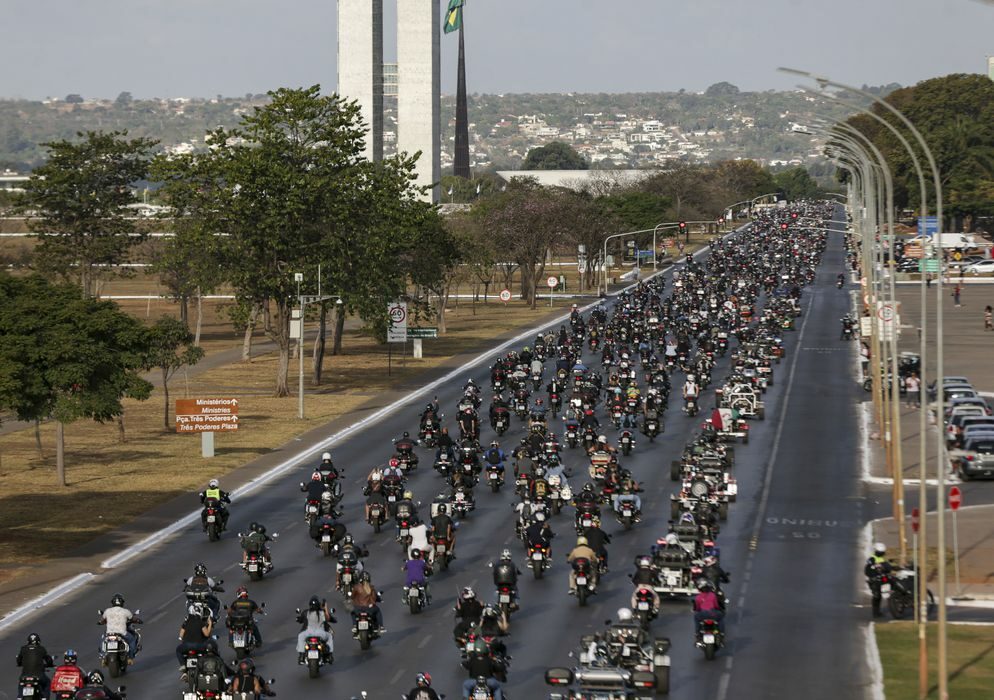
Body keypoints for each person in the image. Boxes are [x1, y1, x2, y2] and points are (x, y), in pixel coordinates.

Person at [99, 593, 141, 660]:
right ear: (122, 602)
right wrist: (138, 621)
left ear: (112, 602)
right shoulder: (126, 611)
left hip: (109, 633)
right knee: (132, 639)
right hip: (122, 633)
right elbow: (133, 619)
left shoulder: (107, 611)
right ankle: (130, 657)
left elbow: (102, 620)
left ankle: (102, 655)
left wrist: (100, 622)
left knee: (102, 640)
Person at [296, 596, 336, 664]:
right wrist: (325, 608)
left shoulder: (307, 612)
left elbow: (300, 619)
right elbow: (328, 619)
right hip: (320, 633)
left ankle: (302, 656)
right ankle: (329, 655)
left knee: (300, 636)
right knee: (330, 636)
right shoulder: (322, 613)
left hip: (308, 633)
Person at [175, 604, 213, 668]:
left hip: (187, 646)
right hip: (199, 646)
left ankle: (183, 665)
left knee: (178, 650)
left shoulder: (186, 622)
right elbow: (207, 634)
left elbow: (181, 635)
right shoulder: (200, 622)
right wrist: (210, 624)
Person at [864, 542, 893, 617]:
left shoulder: (881, 559)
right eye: (879, 552)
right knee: (877, 595)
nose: (881, 553)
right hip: (874, 580)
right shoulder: (872, 559)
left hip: (882, 578)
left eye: (882, 552)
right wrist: (874, 572)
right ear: (876, 551)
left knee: (893, 581)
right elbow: (868, 570)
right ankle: (875, 612)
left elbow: (887, 567)